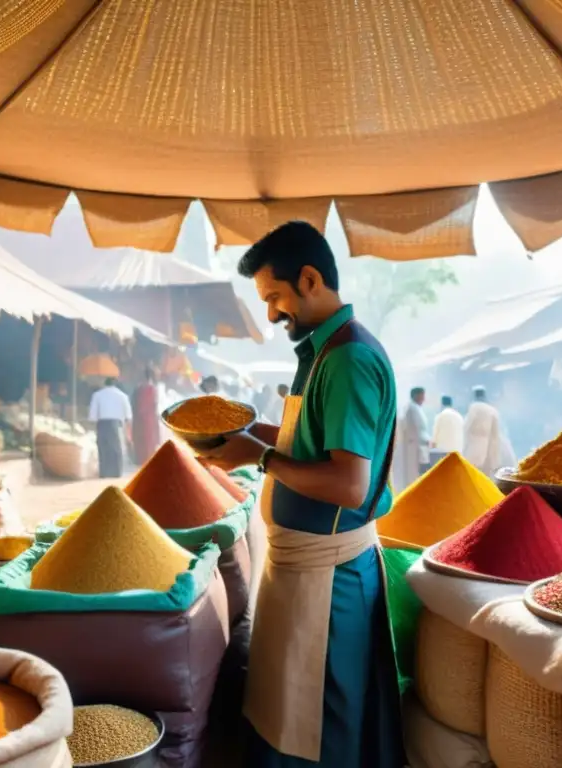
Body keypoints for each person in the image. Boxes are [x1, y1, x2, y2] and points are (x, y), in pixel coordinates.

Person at [199, 221, 403, 767]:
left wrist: (259, 456)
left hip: (329, 578)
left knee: (320, 727)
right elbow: (311, 445)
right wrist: (255, 435)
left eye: (274, 297)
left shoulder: (349, 359)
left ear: (310, 279)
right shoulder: (322, 350)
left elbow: (347, 482)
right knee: (290, 714)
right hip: (303, 570)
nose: (270, 313)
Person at [88, 376, 132, 478]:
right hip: (116, 425)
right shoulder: (123, 396)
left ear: (105, 384)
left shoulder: (97, 395)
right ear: (115, 384)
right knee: (116, 449)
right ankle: (117, 472)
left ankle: (104, 472)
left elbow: (92, 416)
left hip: (102, 424)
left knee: (103, 449)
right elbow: (128, 416)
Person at [463, 385, 510, 477]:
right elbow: (496, 435)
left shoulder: (474, 408)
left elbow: (466, 428)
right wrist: (495, 458)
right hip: (489, 453)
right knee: (485, 479)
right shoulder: (493, 411)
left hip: (474, 451)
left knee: (473, 477)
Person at [398, 387, 430, 487]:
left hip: (418, 447)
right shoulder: (412, 409)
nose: (424, 398)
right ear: (416, 395)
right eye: (422, 395)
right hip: (415, 448)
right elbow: (416, 430)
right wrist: (427, 440)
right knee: (415, 476)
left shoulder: (415, 408)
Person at [131, 366, 160, 465]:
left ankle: (141, 460)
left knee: (140, 440)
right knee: (149, 440)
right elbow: (155, 404)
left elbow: (135, 404)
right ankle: (149, 460)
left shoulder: (138, 389)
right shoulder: (152, 389)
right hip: (149, 418)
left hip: (139, 418)